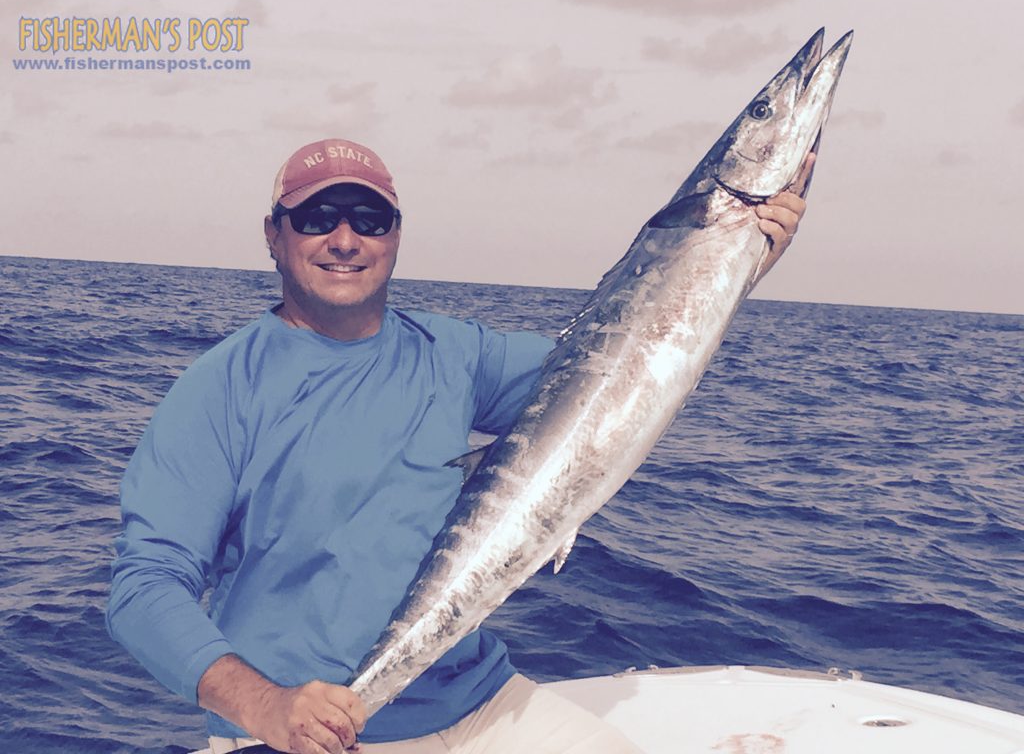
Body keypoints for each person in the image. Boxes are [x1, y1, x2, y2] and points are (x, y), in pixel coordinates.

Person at [107, 138, 809, 754]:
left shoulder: (455, 353)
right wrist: (268, 707)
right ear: (274, 234)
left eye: (369, 219)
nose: (345, 239)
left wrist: (733, 263)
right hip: (317, 731)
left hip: (483, 706)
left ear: (396, 234)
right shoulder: (221, 389)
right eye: (318, 219)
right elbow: (143, 589)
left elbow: (622, 374)